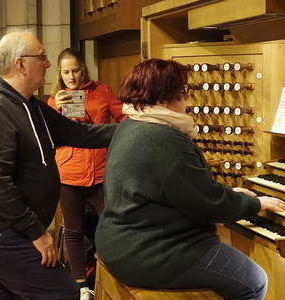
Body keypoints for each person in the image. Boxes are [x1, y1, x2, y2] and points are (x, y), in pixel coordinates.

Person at [95, 58, 285, 300]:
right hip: (150, 250)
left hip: (119, 240)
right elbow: (207, 204)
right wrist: (256, 204)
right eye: (183, 92)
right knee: (254, 281)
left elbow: (183, 190)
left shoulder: (131, 124)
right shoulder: (166, 139)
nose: (187, 99)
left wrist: (230, 195)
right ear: (164, 98)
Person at [0, 31, 116, 300]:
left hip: (11, 230)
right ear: (20, 64)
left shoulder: (32, 105)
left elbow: (81, 134)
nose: (47, 64)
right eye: (42, 57)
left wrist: (135, 127)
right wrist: (37, 233)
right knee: (63, 293)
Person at [47, 48, 125, 298]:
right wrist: (57, 109)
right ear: (60, 73)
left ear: (84, 69)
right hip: (69, 171)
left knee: (113, 224)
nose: (71, 76)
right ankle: (81, 286)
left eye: (75, 70)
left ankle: (112, 276)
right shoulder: (54, 99)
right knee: (74, 231)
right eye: (66, 72)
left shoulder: (101, 91)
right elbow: (50, 135)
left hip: (101, 170)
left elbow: (122, 117)